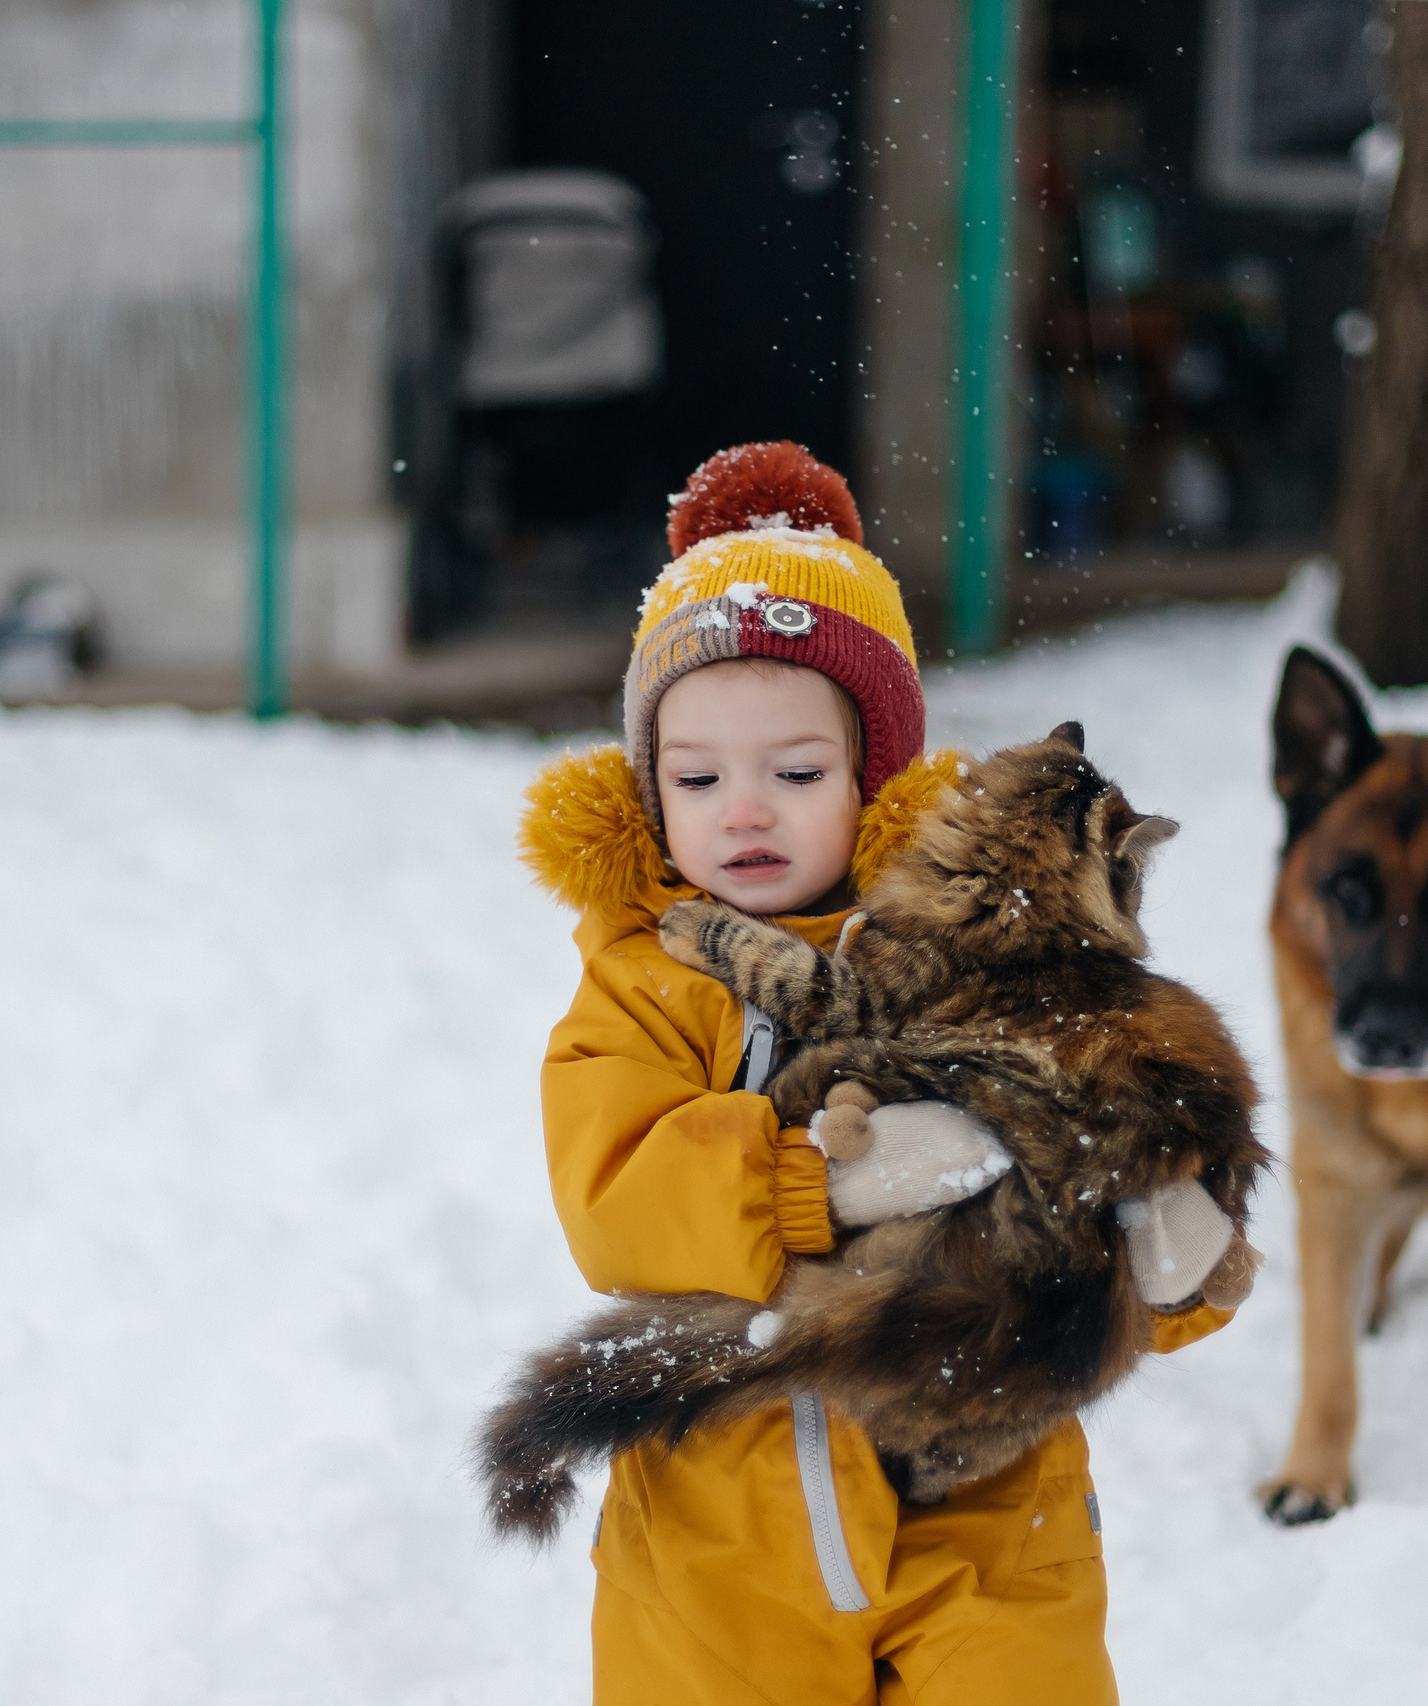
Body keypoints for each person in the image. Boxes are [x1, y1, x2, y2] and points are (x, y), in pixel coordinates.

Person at [518, 443, 1244, 1705]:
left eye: (795, 773)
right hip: (725, 1530)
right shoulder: (642, 984)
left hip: (987, 1499)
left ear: (872, 778)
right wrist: (811, 1187)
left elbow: (1099, 1123)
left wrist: (1165, 1250)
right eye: (696, 779)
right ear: (649, 790)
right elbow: (613, 1191)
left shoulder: (994, 946)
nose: (744, 809)